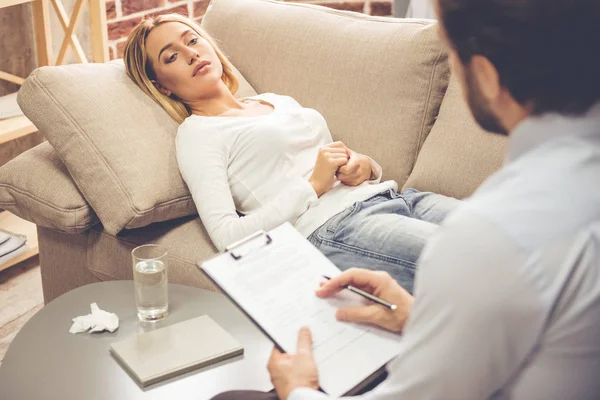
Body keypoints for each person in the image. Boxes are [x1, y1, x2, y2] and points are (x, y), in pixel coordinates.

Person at [213, 0, 600, 399]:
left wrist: (299, 390)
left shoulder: (493, 236)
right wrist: (423, 318)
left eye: (453, 58)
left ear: (485, 75)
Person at [122, 14, 460, 293]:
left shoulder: (274, 100)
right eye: (171, 56)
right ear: (162, 85)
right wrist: (312, 186)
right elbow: (227, 236)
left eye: (192, 40)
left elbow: (335, 160)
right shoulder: (197, 134)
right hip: (336, 227)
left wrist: (365, 166)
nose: (191, 53)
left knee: (503, 227)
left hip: (394, 197)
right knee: (475, 258)